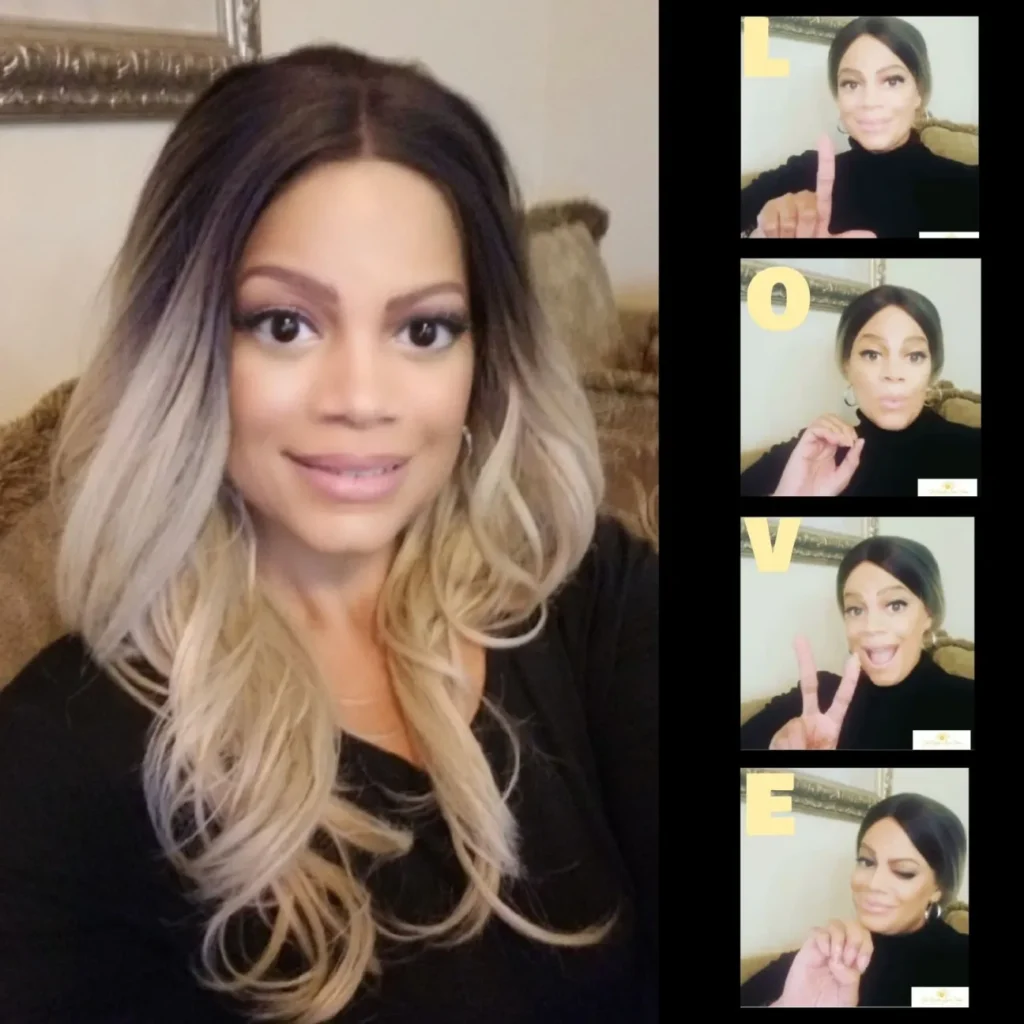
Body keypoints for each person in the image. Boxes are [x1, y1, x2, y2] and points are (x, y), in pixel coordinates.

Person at [0, 45, 658, 1024]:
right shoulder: (62, 761)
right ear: (187, 346)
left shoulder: (581, 594)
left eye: (423, 330)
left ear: (486, 358)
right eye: (285, 325)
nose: (360, 400)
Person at [740, 16, 978, 238]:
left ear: (920, 92)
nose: (869, 101)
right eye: (851, 84)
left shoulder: (966, 188)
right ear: (837, 96)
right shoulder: (802, 173)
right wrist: (761, 232)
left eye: (892, 81)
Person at [740, 284, 980, 497]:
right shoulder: (814, 453)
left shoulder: (970, 449)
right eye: (872, 354)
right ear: (847, 365)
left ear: (932, 368)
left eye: (914, 356)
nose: (893, 373)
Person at [740, 536, 972, 750]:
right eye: (856, 609)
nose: (871, 627)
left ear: (929, 614)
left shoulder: (963, 704)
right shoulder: (818, 695)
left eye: (895, 605)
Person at [740, 792, 969, 1007]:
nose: (872, 883)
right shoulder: (819, 959)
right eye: (866, 861)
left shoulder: (959, 963)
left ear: (938, 888)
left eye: (903, 872)